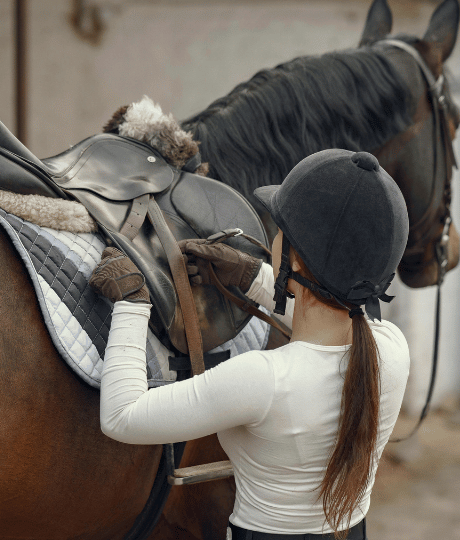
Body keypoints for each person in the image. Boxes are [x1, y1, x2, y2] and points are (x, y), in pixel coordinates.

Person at [89, 149, 411, 540]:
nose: (272, 238)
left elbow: (123, 417)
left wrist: (132, 303)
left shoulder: (262, 379)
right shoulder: (392, 350)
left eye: (279, 233)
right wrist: (253, 277)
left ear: (295, 261)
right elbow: (331, 317)